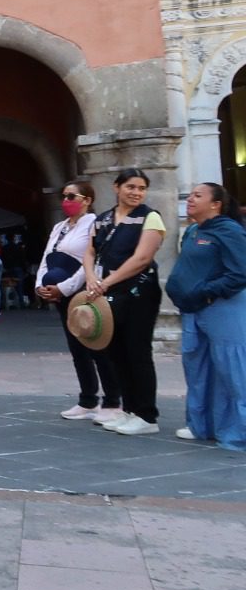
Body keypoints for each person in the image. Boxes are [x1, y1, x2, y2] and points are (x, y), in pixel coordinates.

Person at [86, 168, 167, 436]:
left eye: (141, 188)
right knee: (116, 352)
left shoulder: (150, 217)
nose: (136, 192)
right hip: (110, 293)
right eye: (131, 187)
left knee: (138, 352)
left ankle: (147, 415)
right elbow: (90, 251)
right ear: (116, 187)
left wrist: (106, 282)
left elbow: (142, 258)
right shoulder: (103, 219)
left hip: (138, 292)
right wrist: (90, 278)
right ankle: (130, 409)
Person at [166, 183, 246, 450]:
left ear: (216, 204)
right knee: (198, 368)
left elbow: (240, 272)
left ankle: (238, 432)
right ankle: (202, 425)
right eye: (190, 194)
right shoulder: (192, 231)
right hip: (193, 309)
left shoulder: (229, 230)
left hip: (223, 308)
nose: (190, 199)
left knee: (232, 371)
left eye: (198, 195)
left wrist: (208, 292)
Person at [36, 180, 117, 421]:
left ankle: (112, 399)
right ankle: (87, 398)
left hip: (80, 289)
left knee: (97, 345)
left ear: (87, 200)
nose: (66, 201)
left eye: (72, 196)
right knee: (76, 346)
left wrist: (64, 287)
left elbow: (89, 260)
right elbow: (47, 256)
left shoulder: (93, 224)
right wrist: (40, 284)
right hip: (59, 292)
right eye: (64, 196)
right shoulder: (59, 226)